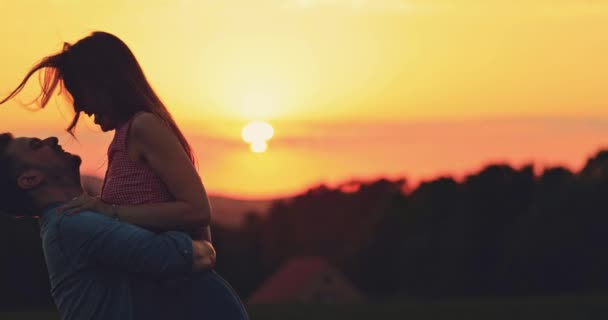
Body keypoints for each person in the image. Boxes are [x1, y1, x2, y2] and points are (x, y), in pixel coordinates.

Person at [0, 31, 248, 318]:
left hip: (199, 303)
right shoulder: (122, 141)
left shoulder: (143, 127)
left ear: (103, 84)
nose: (78, 106)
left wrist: (109, 211)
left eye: (78, 93)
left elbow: (197, 212)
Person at [0, 133, 226, 320]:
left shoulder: (75, 221)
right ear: (30, 179)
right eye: (36, 145)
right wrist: (208, 247)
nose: (52, 139)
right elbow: (184, 257)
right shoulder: (72, 224)